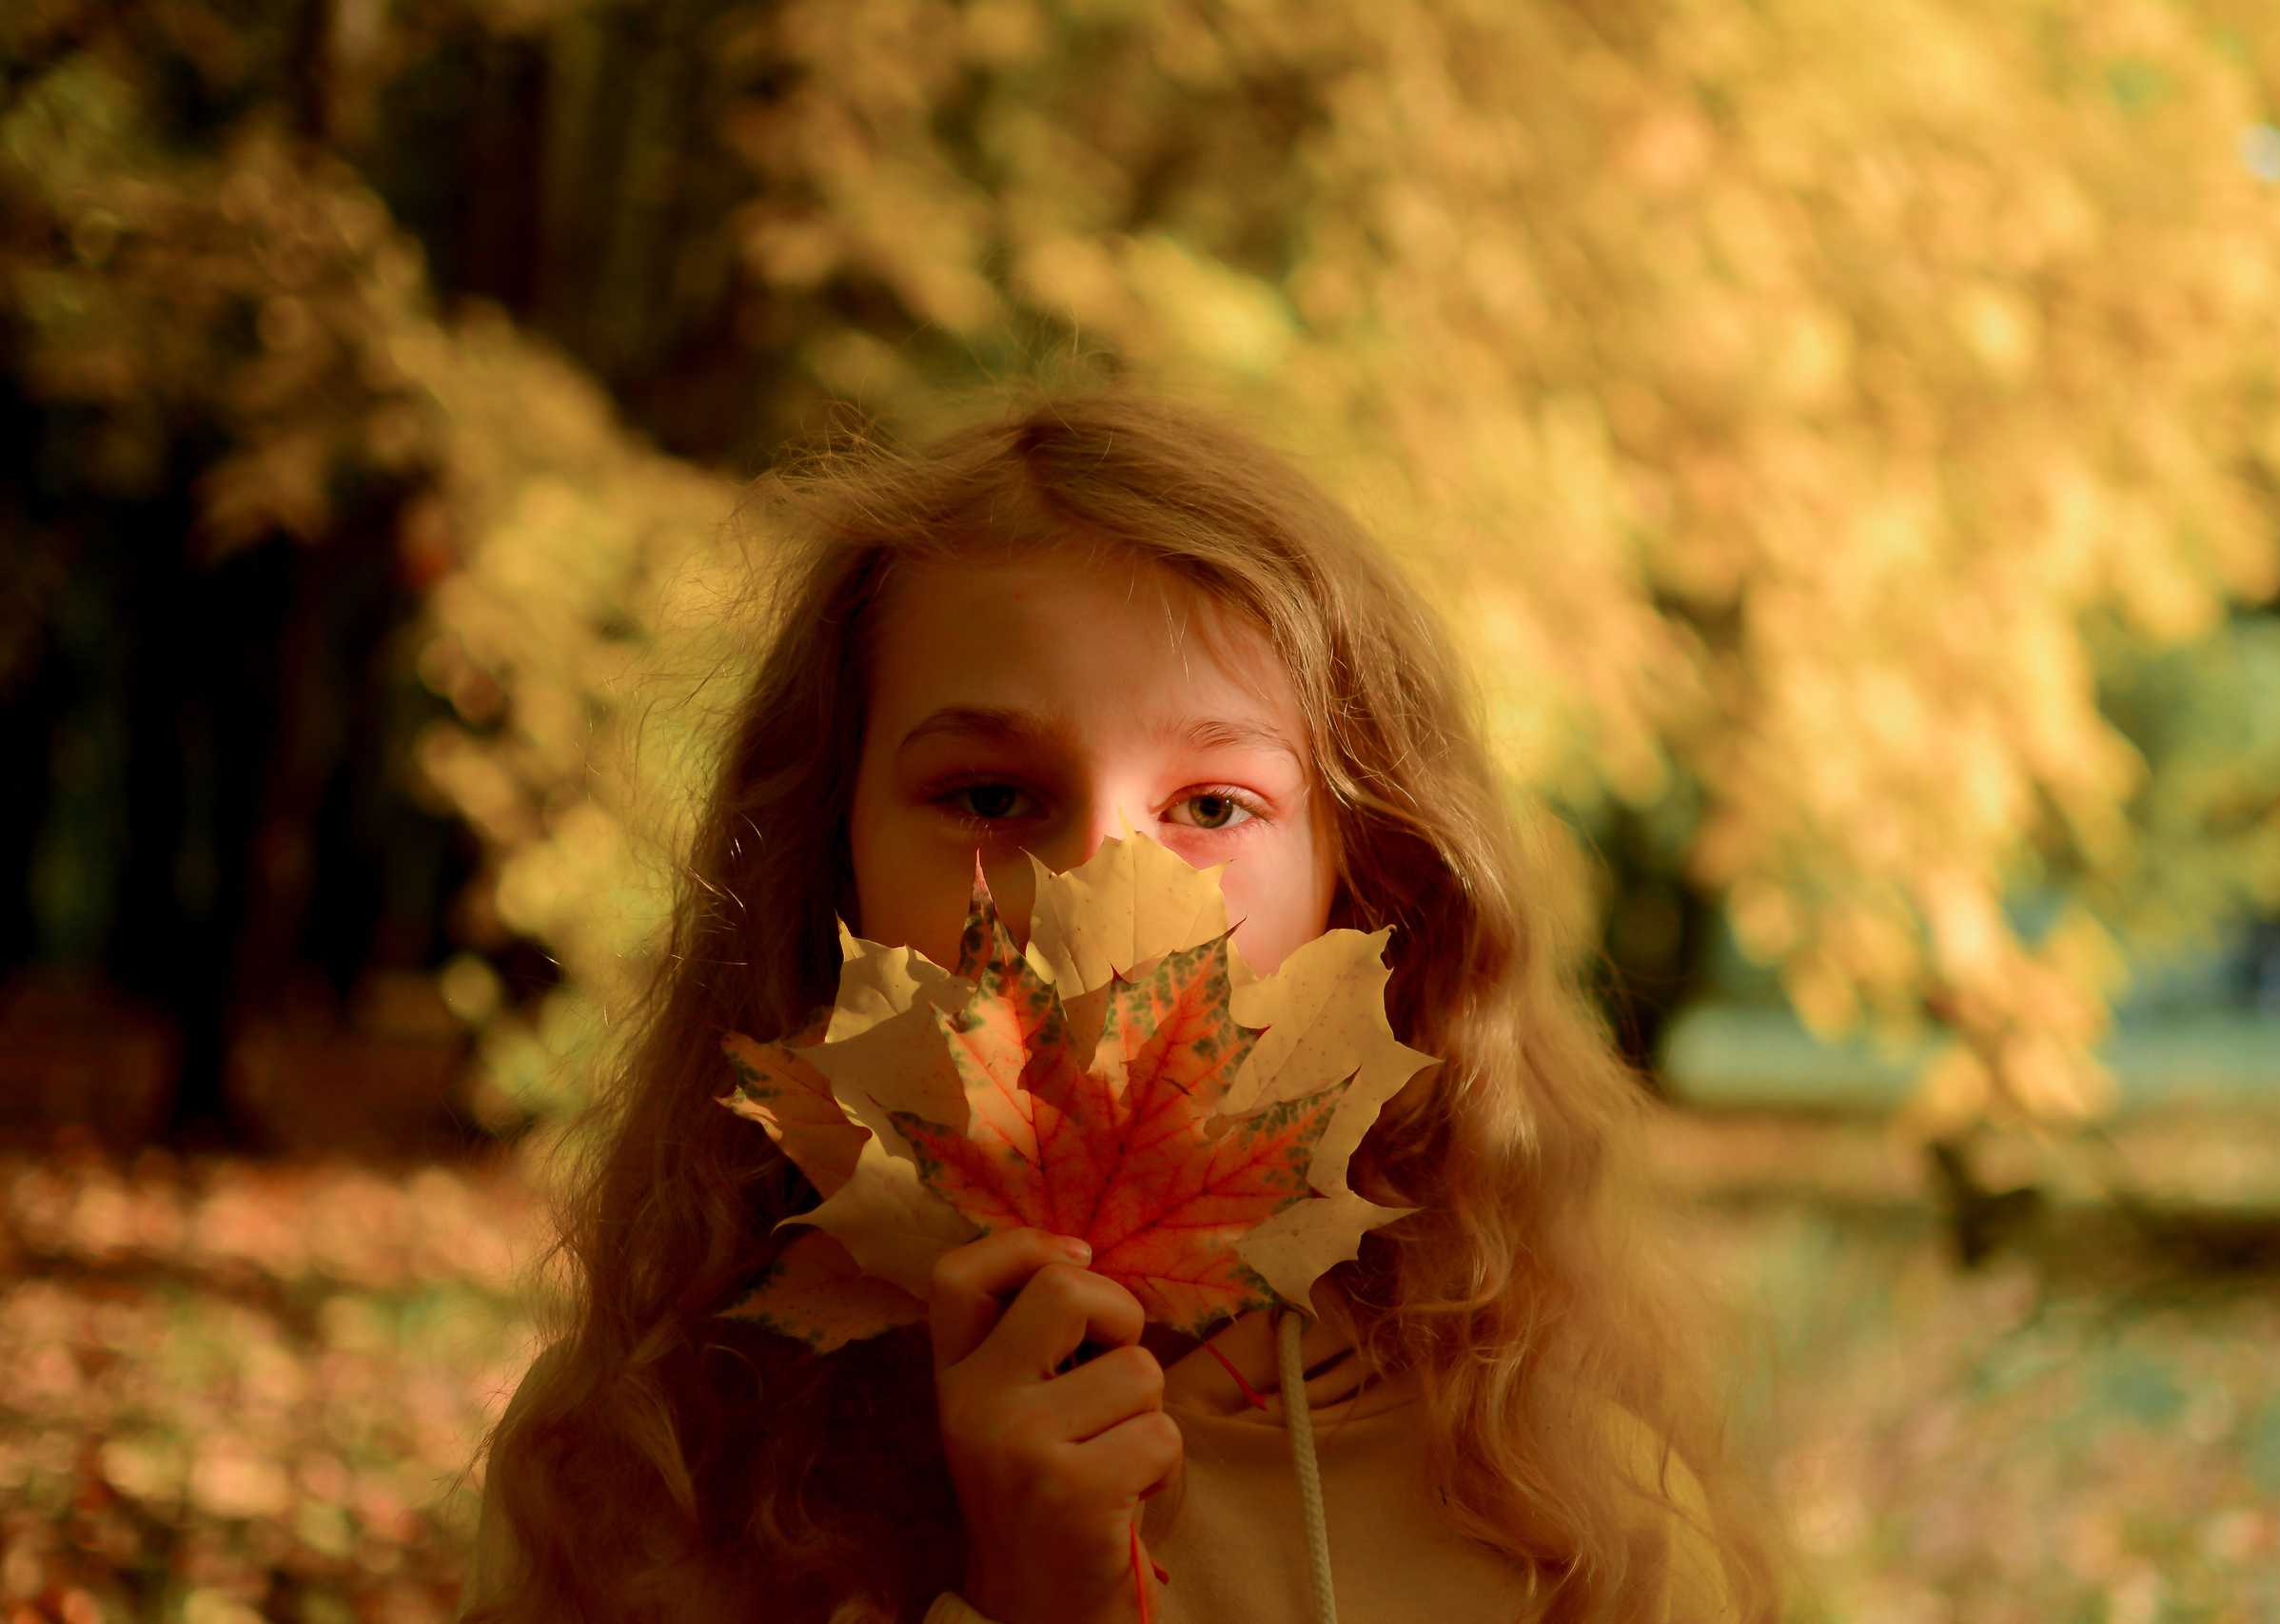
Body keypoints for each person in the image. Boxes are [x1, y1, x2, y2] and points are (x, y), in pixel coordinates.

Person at [462, 393, 1781, 1624]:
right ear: (830, 858)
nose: (1097, 891)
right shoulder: (649, 1474)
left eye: (1212, 806)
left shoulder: (1570, 1516)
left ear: (1368, 881)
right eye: (990, 797)